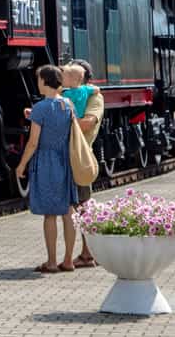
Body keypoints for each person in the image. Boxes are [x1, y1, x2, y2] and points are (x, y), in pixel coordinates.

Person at [16, 65, 78, 273]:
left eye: (39, 79)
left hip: (46, 162)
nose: (38, 82)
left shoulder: (41, 107)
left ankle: (51, 262)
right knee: (68, 210)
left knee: (50, 214)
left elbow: (33, 142)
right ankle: (68, 260)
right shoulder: (68, 104)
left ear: (44, 81)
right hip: (65, 160)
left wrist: (21, 165)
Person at [69, 58, 103, 268]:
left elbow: (87, 123)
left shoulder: (95, 98)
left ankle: (89, 252)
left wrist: (60, 121)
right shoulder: (70, 94)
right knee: (73, 206)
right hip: (68, 156)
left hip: (81, 157)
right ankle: (83, 253)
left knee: (83, 205)